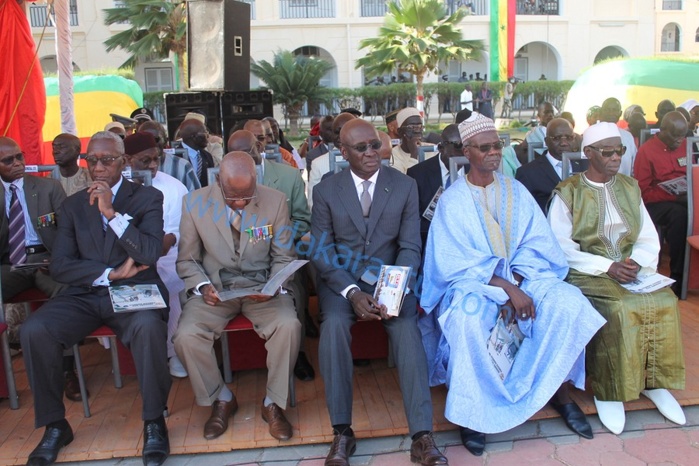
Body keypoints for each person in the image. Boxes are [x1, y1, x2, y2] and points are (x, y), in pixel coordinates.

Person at [420, 114, 605, 456]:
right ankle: (473, 415)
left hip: (526, 275)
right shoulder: (452, 200)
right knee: (466, 320)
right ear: (467, 151)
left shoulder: (515, 189)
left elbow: (538, 243)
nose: (493, 153)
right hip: (473, 286)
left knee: (569, 303)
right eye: (485, 147)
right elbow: (452, 262)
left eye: (498, 146)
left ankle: (558, 393)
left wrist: (519, 283)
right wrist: (507, 289)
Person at [20, 131, 171, 466]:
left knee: (148, 327)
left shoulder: (148, 198)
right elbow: (60, 265)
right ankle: (55, 425)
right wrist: (107, 274)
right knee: (34, 330)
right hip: (86, 294)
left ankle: (154, 422)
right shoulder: (73, 206)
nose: (98, 167)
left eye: (107, 160)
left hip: (135, 291)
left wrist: (111, 214)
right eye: (92, 160)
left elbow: (149, 251)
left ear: (124, 162)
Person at [310, 118, 448, 466]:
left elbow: (409, 246)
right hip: (342, 283)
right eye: (362, 148)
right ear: (343, 152)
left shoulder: (403, 186)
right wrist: (354, 293)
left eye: (375, 145)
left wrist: (393, 289)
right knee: (333, 329)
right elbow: (321, 251)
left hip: (392, 281)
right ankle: (342, 432)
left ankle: (422, 436)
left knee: (406, 330)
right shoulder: (327, 189)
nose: (373, 153)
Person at [548, 122, 686, 434]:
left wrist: (636, 262)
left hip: (630, 268)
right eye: (607, 152)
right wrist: (606, 266)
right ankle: (609, 389)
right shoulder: (568, 193)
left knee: (664, 300)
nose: (615, 158)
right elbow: (560, 248)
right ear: (588, 153)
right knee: (621, 307)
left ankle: (654, 381)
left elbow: (649, 237)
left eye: (619, 151)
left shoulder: (629, 186)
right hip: (587, 272)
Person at [174, 152, 301, 442]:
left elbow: (284, 256)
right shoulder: (194, 203)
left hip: (262, 286)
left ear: (256, 180)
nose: (242, 203)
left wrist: (273, 285)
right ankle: (222, 398)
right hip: (216, 289)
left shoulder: (275, 200)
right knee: (186, 335)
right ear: (219, 181)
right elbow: (188, 260)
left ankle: (273, 403)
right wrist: (202, 286)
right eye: (234, 198)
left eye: (248, 195)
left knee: (289, 326)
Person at [227, 129, 316, 381]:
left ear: (259, 146)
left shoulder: (288, 176)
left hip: (281, 253)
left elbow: (302, 220)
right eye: (235, 154)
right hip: (239, 259)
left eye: (247, 152)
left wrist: (266, 234)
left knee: (296, 288)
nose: (242, 159)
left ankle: (296, 352)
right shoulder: (225, 179)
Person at [123, 132, 189, 378]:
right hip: (123, 260)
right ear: (127, 159)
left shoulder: (172, 187)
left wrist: (163, 242)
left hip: (167, 257)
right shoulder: (116, 187)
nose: (152, 165)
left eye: (156, 159)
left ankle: (174, 352)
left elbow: (178, 233)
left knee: (172, 281)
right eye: (145, 160)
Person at [634, 111, 689, 294]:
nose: (679, 140)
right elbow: (642, 192)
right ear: (662, 130)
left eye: (683, 135)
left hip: (685, 197)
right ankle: (678, 279)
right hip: (656, 204)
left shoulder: (686, 146)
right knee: (680, 216)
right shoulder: (647, 151)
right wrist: (672, 195)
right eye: (675, 135)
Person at [407, 124, 466, 249]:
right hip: (432, 242)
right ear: (441, 148)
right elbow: (413, 221)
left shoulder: (475, 170)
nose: (461, 161)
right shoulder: (417, 175)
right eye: (457, 148)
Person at [515, 118, 574, 212]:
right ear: (546, 141)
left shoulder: (585, 165)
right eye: (557, 138)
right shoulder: (528, 173)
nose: (564, 143)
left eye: (569, 137)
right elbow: (523, 212)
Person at [308, 112, 356, 208]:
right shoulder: (318, 164)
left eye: (345, 130)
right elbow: (312, 203)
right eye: (336, 132)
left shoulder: (368, 159)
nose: (340, 135)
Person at [138, 120, 201, 192]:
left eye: (154, 139)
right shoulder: (131, 168)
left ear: (165, 141)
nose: (149, 143)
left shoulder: (183, 167)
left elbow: (196, 198)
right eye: (144, 140)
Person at [599, 97, 637, 176]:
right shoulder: (591, 136)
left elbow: (634, 167)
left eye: (614, 110)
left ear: (620, 113)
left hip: (624, 186)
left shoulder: (628, 136)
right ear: (601, 112)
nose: (611, 113)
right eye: (607, 109)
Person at [177, 118, 215, 187]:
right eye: (205, 133)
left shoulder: (207, 156)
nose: (208, 136)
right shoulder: (175, 158)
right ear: (194, 137)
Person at [391, 107, 425, 174]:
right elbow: (406, 182)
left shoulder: (432, 150)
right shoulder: (393, 155)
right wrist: (414, 154)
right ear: (400, 132)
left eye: (419, 126)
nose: (417, 130)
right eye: (411, 127)